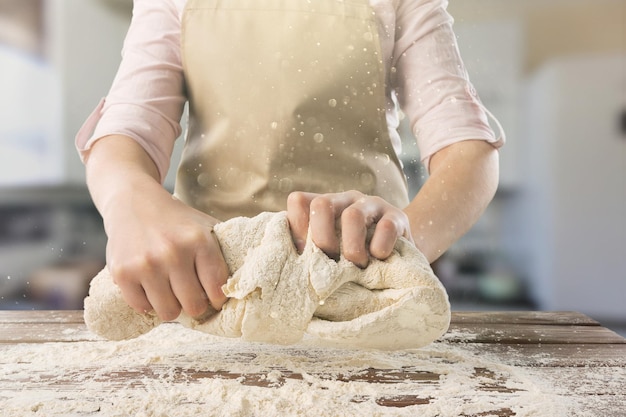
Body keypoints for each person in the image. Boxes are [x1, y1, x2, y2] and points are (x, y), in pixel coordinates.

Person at [76, 0, 503, 324]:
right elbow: (127, 131)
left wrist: (403, 245)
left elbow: (467, 149)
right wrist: (129, 199)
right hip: (208, 293)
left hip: (362, 289)